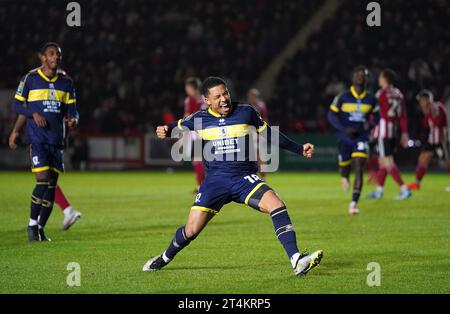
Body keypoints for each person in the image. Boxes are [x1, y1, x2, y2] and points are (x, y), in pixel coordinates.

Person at [143, 77, 323, 276]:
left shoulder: (247, 112)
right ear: (207, 100)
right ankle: (164, 258)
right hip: (214, 183)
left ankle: (296, 260)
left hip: (243, 178)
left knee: (277, 205)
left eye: (225, 93)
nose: (224, 99)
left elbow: (269, 134)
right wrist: (165, 129)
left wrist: (299, 149)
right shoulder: (199, 118)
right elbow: (177, 125)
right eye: (217, 96)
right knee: (191, 230)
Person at [11, 42, 79, 241]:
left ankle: (40, 228)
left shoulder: (66, 82)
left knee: (51, 186)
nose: (55, 58)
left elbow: (73, 110)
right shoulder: (30, 79)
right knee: (41, 181)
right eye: (51, 54)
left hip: (57, 140)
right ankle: (32, 225)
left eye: (58, 55)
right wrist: (32, 113)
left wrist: (74, 119)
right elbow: (16, 105)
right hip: (37, 139)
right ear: (42, 57)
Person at [9, 114, 81, 230]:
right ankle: (62, 212)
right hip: (52, 139)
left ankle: (38, 222)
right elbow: (70, 113)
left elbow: (23, 108)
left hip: (43, 139)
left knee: (43, 181)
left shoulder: (39, 99)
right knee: (46, 181)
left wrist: (16, 130)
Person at [327, 66, 379, 215]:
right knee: (344, 168)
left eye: (362, 75)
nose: (359, 77)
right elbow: (331, 115)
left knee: (359, 168)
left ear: (366, 79)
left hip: (361, 138)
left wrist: (370, 125)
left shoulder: (371, 99)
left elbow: (376, 118)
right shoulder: (342, 97)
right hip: (344, 138)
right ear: (352, 78)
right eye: (357, 75)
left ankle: (354, 203)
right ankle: (344, 176)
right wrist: (343, 129)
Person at [366, 69, 412, 200]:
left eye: (380, 77)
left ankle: (404, 189)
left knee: (387, 161)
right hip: (393, 130)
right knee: (383, 161)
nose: (379, 79)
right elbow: (403, 116)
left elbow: (374, 112)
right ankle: (379, 191)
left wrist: (369, 125)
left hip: (382, 130)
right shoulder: (398, 93)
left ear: (385, 79)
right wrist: (404, 132)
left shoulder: (381, 93)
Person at [408, 90, 450, 190]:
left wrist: (428, 113)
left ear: (427, 99)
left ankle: (417, 183)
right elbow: (426, 124)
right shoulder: (429, 109)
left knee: (447, 162)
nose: (421, 103)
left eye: (422, 100)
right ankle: (417, 183)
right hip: (432, 140)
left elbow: (438, 122)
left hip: (440, 140)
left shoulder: (435, 107)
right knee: (423, 158)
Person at [184, 77, 207, 192]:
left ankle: (201, 185)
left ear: (191, 87)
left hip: (196, 133)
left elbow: (187, 116)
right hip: (208, 132)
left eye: (187, 87)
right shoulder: (204, 98)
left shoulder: (190, 100)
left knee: (197, 159)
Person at [247, 88, 268, 179]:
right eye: (251, 96)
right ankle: (253, 176)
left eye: (253, 96)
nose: (252, 98)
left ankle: (263, 176)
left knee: (261, 156)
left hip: (259, 134)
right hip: (249, 134)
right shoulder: (246, 106)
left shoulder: (261, 106)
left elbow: (265, 119)